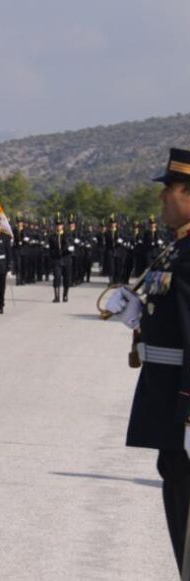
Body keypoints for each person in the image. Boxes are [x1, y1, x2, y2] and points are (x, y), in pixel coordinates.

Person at [105, 147, 190, 573]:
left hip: (181, 398)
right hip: (165, 391)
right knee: (175, 487)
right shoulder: (176, 250)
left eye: (169, 191)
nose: (162, 199)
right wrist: (139, 316)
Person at [47, 215, 73, 303]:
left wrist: (69, 249)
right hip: (57, 260)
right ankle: (56, 296)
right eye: (57, 225)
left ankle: (65, 295)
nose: (58, 226)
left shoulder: (68, 235)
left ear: (63, 226)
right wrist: (55, 254)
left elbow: (71, 247)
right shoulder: (52, 237)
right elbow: (50, 250)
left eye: (60, 224)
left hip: (66, 259)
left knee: (67, 278)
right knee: (57, 277)